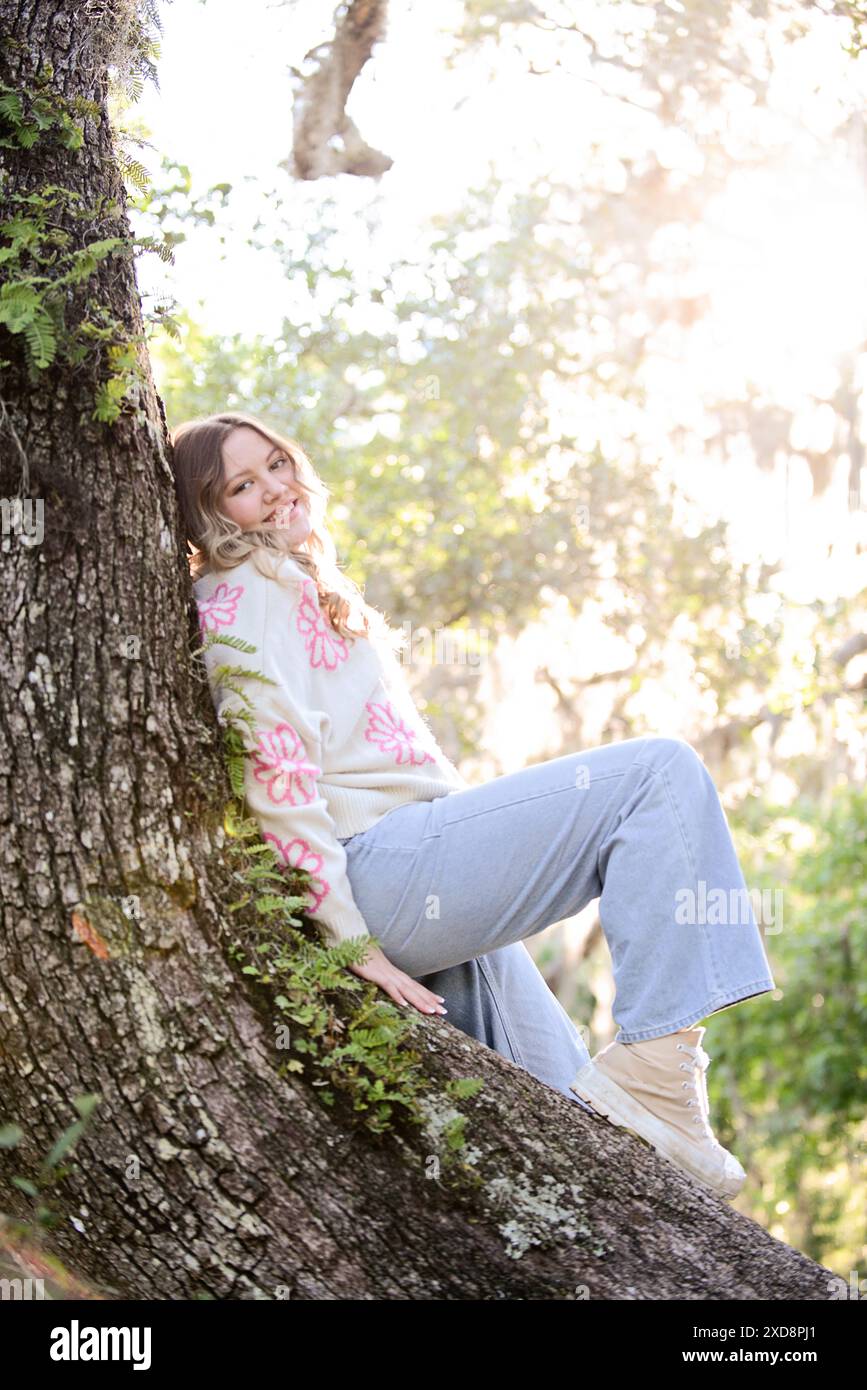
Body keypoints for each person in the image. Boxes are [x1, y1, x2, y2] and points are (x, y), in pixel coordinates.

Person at [170, 410, 777, 1202]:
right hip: (376, 873)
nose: (275, 489)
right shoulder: (238, 597)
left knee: (583, 1128)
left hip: (419, 864)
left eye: (277, 464)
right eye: (243, 486)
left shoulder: (296, 581)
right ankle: (659, 1064)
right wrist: (353, 947)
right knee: (655, 776)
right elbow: (274, 780)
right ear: (211, 515)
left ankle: (651, 1122)